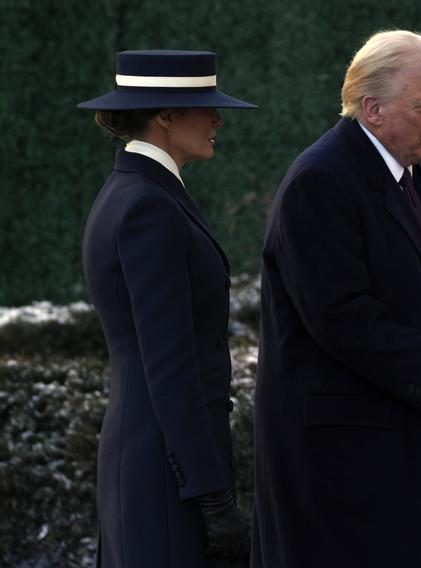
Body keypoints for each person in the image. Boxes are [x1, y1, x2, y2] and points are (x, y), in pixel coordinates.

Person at [251, 30, 421, 567]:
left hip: (396, 458)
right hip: (349, 480)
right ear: (372, 109)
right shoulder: (321, 181)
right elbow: (342, 319)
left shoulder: (403, 170)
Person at [79, 50, 256, 567]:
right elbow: (169, 365)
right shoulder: (147, 205)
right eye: (206, 108)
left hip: (157, 459)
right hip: (166, 472)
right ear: (167, 116)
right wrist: (212, 494)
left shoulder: (136, 193)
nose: (218, 120)